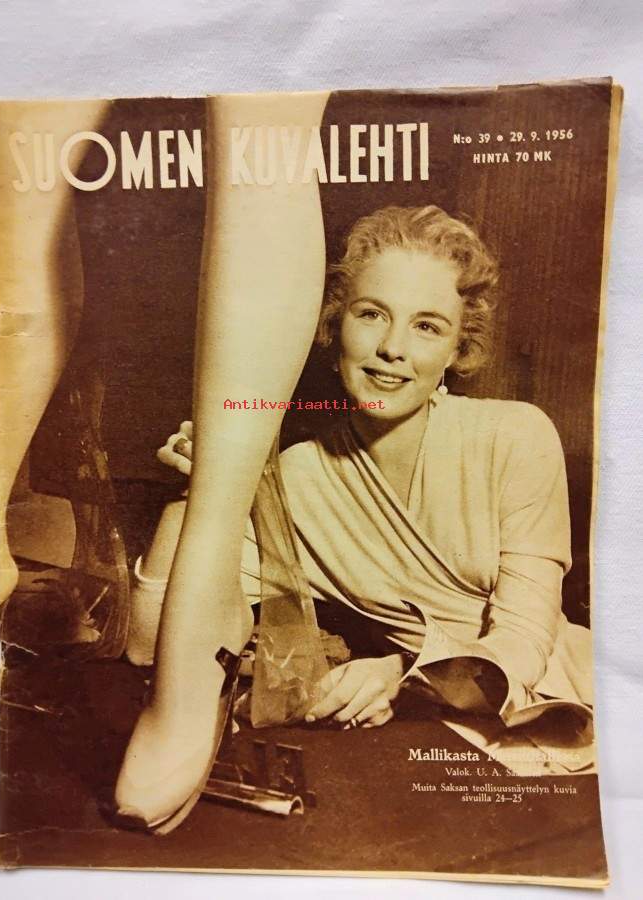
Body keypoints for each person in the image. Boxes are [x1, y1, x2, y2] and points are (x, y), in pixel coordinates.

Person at [115, 200, 593, 833]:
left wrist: (401, 676)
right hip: (436, 738)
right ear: (335, 323)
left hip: (568, 709)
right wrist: (199, 487)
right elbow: (148, 646)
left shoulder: (516, 436)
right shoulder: (296, 479)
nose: (392, 349)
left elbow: (525, 642)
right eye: (372, 315)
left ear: (458, 347)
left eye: (427, 327)